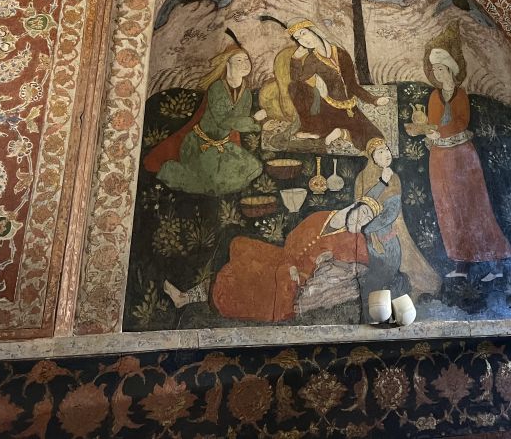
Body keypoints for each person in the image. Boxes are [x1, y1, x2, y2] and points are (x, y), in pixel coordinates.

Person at [164, 199, 379, 322]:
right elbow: (294, 237)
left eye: (368, 219)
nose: (362, 219)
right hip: (285, 257)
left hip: (299, 276)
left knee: (250, 274)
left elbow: (361, 265)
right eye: (363, 212)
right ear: (355, 206)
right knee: (241, 246)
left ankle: (186, 298)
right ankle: (188, 296)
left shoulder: (355, 239)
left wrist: (330, 261)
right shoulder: (324, 216)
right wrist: (290, 261)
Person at [423, 45, 511, 280]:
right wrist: (429, 132)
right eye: (434, 70)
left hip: (462, 157)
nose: (438, 74)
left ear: (450, 70)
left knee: (475, 208)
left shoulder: (460, 95)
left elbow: (461, 123)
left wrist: (438, 132)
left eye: (441, 69)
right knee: (449, 210)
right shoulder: (434, 96)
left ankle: (495, 266)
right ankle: (461, 266)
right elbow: (432, 123)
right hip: (440, 159)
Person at [144, 39, 265, 196]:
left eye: (246, 59)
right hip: (200, 145)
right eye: (239, 60)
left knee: (255, 168)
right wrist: (254, 120)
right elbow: (223, 121)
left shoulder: (246, 94)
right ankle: (172, 171)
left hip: (224, 146)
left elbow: (238, 123)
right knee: (213, 183)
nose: (245, 64)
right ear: (227, 64)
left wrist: (255, 123)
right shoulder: (217, 88)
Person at [260, 18, 387, 149]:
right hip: (327, 107)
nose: (303, 40)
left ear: (314, 31)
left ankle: (337, 132)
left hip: (349, 105)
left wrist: (374, 100)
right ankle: (316, 130)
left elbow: (352, 84)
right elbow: (296, 81)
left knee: (373, 136)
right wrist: (296, 59)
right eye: (298, 38)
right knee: (295, 87)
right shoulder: (311, 60)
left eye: (304, 33)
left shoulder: (341, 53)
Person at [355, 137, 441, 305]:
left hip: (392, 229)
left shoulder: (393, 177)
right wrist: (382, 183)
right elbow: (361, 206)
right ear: (372, 157)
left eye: (387, 149)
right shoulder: (362, 178)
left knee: (399, 264)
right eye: (380, 152)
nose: (386, 154)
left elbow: (392, 210)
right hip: (370, 232)